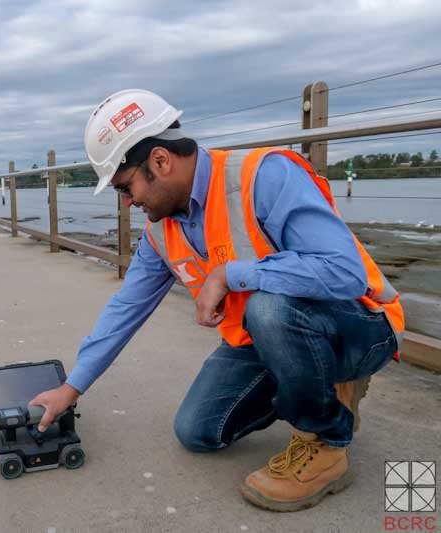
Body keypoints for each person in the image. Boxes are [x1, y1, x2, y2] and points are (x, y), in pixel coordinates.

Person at [29, 89, 404, 512]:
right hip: (263, 341)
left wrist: (231, 274)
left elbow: (344, 271)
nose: (128, 202)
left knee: (268, 306)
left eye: (125, 187)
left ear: (160, 161)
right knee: (198, 430)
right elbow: (127, 307)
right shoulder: (161, 229)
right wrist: (71, 388)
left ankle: (327, 444)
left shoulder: (264, 176)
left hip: (361, 327)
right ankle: (321, 386)